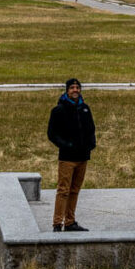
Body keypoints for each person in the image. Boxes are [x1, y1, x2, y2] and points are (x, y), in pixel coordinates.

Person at [47, 77, 96, 232]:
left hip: (83, 157)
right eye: (72, 88)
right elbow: (52, 134)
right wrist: (66, 145)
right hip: (67, 158)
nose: (75, 90)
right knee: (63, 190)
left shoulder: (85, 108)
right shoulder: (59, 110)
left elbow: (91, 129)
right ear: (67, 91)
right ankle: (57, 223)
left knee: (75, 190)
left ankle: (70, 222)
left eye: (77, 87)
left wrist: (91, 144)